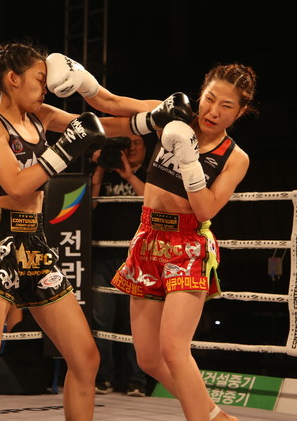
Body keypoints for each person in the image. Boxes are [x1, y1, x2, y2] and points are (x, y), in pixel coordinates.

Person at [0, 42, 161, 421]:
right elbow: (15, 185)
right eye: (40, 80)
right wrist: (65, 149)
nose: (46, 88)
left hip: (36, 244)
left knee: (85, 359)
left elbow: (110, 123)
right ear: (13, 79)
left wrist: (159, 114)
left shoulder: (41, 116)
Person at [59, 60, 258, 421]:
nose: (213, 111)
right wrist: (82, 82)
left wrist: (189, 160)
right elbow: (112, 103)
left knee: (173, 350)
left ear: (240, 112)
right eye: (209, 99)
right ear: (201, 94)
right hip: (148, 238)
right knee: (149, 359)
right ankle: (215, 415)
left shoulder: (235, 157)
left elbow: (206, 209)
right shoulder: (173, 115)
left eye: (226, 106)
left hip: (188, 245)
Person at [90, 134, 149, 397]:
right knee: (101, 319)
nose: (132, 148)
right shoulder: (103, 174)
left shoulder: (149, 174)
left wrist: (128, 175)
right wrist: (100, 167)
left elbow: (152, 202)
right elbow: (89, 204)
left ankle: (137, 380)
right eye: (127, 144)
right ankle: (103, 378)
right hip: (102, 256)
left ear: (145, 147)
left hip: (137, 258)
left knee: (136, 321)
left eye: (137, 143)